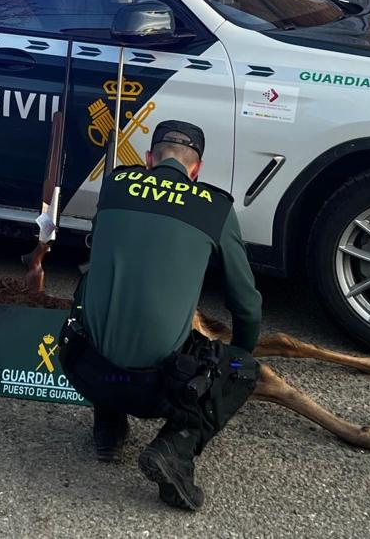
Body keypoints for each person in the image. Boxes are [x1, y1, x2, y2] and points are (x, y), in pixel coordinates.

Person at [59, 119, 263, 511]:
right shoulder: (214, 207)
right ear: (197, 169)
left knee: (100, 300)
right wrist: (235, 366)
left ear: (150, 159)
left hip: (84, 369)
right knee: (243, 367)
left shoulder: (115, 187)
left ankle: (108, 424)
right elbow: (248, 306)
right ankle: (175, 447)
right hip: (159, 387)